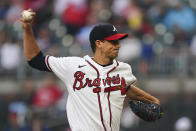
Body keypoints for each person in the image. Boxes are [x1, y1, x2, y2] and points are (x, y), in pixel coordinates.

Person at [21, 9, 160, 131]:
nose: (117, 45)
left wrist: (152, 101)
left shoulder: (123, 69)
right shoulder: (74, 66)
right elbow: (35, 60)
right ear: (98, 44)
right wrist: (27, 30)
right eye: (112, 41)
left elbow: (126, 89)